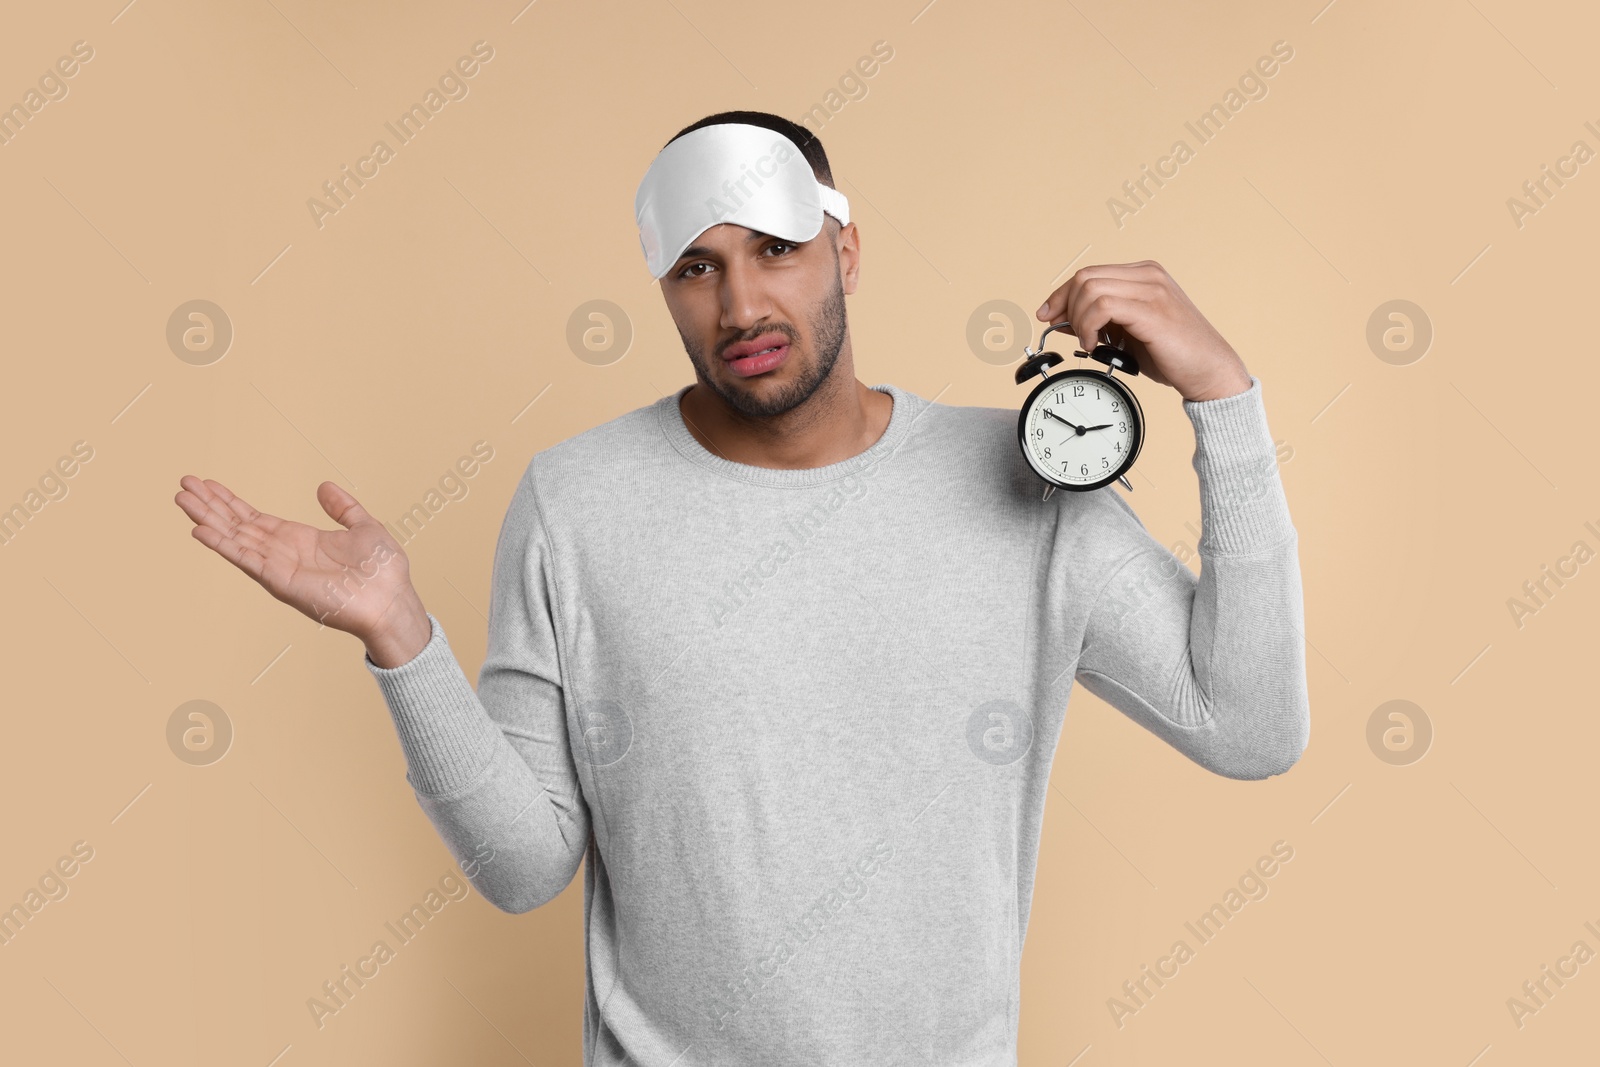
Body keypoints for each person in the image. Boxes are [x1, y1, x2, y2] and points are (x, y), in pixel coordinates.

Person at [175, 109, 1309, 1066]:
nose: (741, 306)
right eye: (697, 267)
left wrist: (1225, 402)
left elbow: (1249, 726)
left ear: (846, 252)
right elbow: (524, 868)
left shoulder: (1023, 481)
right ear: (664, 289)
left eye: (776, 249)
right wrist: (401, 639)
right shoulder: (574, 502)